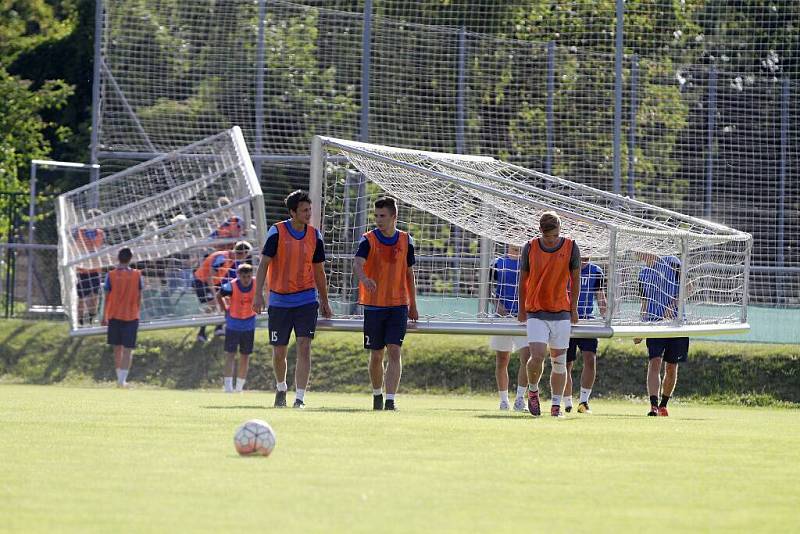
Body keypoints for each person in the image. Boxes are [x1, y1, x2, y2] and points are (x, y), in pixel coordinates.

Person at [253, 190, 333, 409]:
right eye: (304, 210)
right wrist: (258, 294)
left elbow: (319, 272)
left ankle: (300, 398)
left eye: (309, 210)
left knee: (304, 346)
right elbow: (264, 265)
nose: (308, 214)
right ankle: (281, 388)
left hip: (306, 299)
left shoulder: (314, 236)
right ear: (292, 212)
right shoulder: (277, 232)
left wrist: (324, 300)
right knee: (279, 352)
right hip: (279, 300)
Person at [353, 197, 419, 411]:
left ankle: (390, 400)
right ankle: (377, 394)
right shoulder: (368, 239)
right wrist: (364, 278)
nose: (378, 220)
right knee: (376, 354)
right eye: (376, 215)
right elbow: (358, 263)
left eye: (383, 216)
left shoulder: (406, 240)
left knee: (395, 351)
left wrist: (413, 305)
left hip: (398, 305)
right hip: (374, 306)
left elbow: (409, 274)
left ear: (394, 217)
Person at [517, 211, 581, 418]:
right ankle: (533, 391)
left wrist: (573, 309)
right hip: (536, 310)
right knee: (536, 356)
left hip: (561, 310)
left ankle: (556, 405)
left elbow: (575, 279)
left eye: (554, 236)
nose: (551, 240)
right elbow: (523, 280)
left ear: (560, 231)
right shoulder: (530, 247)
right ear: (540, 232)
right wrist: (521, 309)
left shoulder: (571, 247)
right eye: (547, 237)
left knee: (560, 362)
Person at [633, 251, 687, 417]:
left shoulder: (672, 262)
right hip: (654, 325)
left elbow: (687, 287)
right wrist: (641, 328)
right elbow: (645, 302)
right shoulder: (642, 274)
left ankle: (664, 404)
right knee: (654, 362)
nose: (639, 254)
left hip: (676, 325)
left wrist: (672, 306)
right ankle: (653, 406)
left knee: (671, 366)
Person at [488, 244, 529, 411]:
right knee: (502, 359)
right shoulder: (497, 263)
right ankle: (504, 400)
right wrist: (497, 305)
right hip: (502, 318)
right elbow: (486, 288)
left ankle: (520, 399)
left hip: (524, 318)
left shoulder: (530, 262)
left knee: (528, 358)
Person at [564, 257, 607, 414]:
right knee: (565, 364)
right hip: (566, 323)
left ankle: (584, 401)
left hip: (587, 323)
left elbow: (600, 297)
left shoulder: (596, 271)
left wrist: (606, 317)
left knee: (590, 359)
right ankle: (567, 401)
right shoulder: (564, 267)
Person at [193, 241, 252, 342]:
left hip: (213, 283)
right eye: (246, 255)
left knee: (228, 302)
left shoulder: (232, 260)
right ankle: (201, 333)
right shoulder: (222, 257)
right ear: (243, 253)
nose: (246, 258)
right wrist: (215, 295)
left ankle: (219, 328)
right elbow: (209, 277)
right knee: (213, 305)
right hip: (202, 282)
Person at [101, 247, 143, 388]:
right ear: (131, 259)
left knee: (117, 348)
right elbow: (140, 296)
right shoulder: (137, 275)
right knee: (128, 349)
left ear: (118, 258)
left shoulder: (111, 275)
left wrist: (103, 315)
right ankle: (122, 380)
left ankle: (120, 378)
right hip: (131, 315)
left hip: (114, 314)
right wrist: (138, 311)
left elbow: (106, 297)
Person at [216, 263, 257, 393]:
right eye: (244, 276)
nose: (246, 279)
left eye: (249, 276)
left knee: (245, 356)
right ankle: (228, 387)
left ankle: (239, 387)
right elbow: (219, 295)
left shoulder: (257, 283)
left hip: (249, 325)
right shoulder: (231, 286)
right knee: (230, 354)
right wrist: (225, 310)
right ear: (238, 275)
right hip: (233, 325)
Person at [75, 209, 105, 326]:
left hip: (95, 268)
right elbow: (74, 246)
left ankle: (92, 317)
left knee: (95, 295)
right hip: (82, 269)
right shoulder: (79, 232)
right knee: (81, 296)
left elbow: (102, 247)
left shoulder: (100, 233)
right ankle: (80, 320)